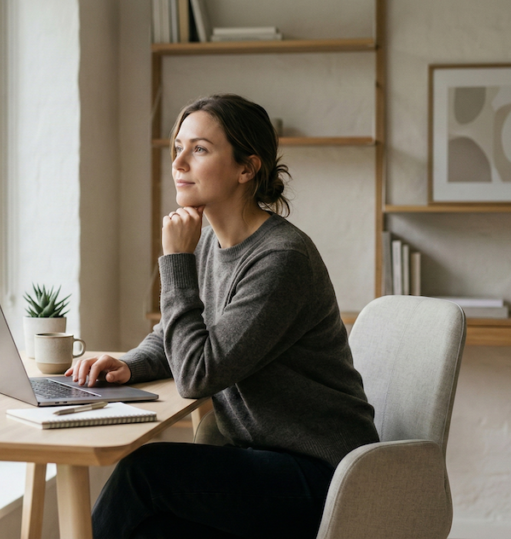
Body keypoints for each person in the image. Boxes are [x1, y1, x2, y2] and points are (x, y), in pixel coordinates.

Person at [65, 94, 379, 539]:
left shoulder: (280, 259)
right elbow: (178, 336)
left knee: (145, 474)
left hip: (320, 475)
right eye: (177, 147)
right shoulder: (212, 243)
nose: (179, 162)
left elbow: (197, 372)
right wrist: (131, 362)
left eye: (199, 149)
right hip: (256, 458)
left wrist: (175, 260)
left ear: (246, 168)